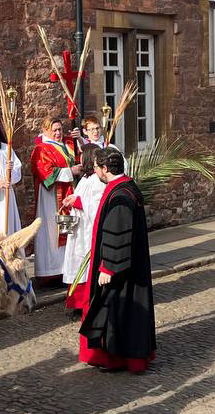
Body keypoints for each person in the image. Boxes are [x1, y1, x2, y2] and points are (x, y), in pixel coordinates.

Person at [78, 148, 156, 372]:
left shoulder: (120, 196)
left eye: (96, 168)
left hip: (121, 270)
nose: (95, 172)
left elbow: (117, 232)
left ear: (105, 169)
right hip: (133, 266)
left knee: (118, 311)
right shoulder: (125, 187)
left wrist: (108, 268)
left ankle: (116, 357)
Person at [30, 117, 80, 284]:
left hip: (68, 193)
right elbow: (46, 174)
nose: (58, 133)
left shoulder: (67, 144)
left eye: (60, 129)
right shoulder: (41, 149)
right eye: (54, 130)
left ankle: (67, 269)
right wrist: (70, 171)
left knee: (68, 229)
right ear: (45, 131)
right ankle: (51, 271)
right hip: (51, 197)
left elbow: (81, 154)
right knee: (52, 232)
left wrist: (78, 138)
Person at [61, 146, 106, 315]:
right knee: (77, 266)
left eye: (80, 156)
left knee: (84, 267)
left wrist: (78, 202)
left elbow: (98, 206)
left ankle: (84, 303)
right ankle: (76, 302)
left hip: (87, 232)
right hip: (79, 229)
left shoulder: (97, 181)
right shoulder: (86, 179)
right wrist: (72, 200)